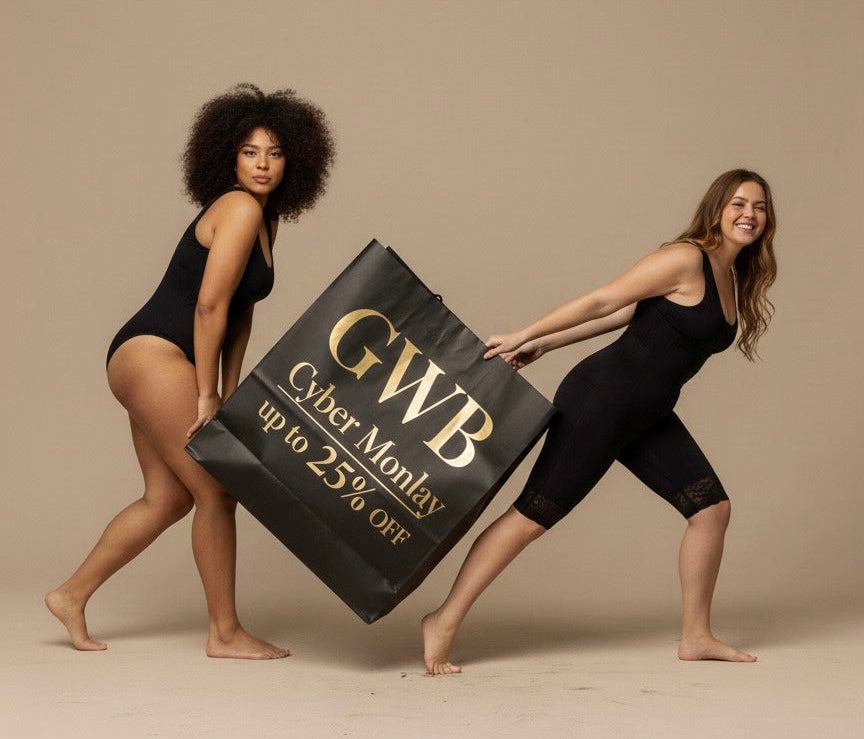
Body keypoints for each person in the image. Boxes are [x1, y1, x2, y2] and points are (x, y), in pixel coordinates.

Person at [422, 169, 777, 674]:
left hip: (648, 413)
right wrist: (529, 333)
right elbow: (605, 299)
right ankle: (443, 619)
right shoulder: (685, 257)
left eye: (759, 206)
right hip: (602, 401)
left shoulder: (731, 275)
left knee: (711, 510)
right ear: (717, 207)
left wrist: (544, 346)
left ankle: (696, 636)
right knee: (531, 517)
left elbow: (632, 314)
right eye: (739, 203)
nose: (749, 214)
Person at [45, 84, 335, 659]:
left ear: (293, 161)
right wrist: (205, 396)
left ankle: (70, 595)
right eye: (250, 152)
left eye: (274, 153)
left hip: (149, 356)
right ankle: (224, 633)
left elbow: (240, 313)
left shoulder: (265, 221)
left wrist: (229, 389)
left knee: (167, 499)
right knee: (218, 490)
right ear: (228, 156)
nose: (262, 164)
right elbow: (209, 307)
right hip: (157, 354)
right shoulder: (240, 207)